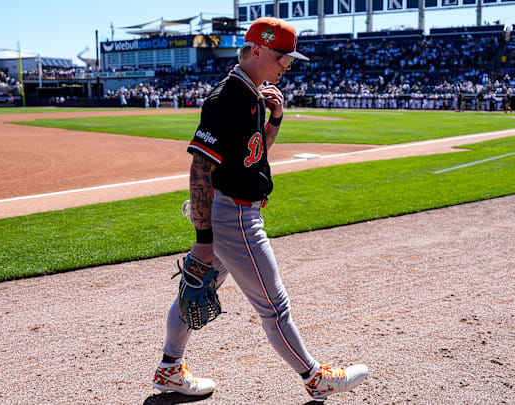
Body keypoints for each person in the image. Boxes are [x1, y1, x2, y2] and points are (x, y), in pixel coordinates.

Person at [152, 17, 369, 400]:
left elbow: (251, 158)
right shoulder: (228, 98)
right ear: (257, 51)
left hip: (232, 210)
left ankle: (170, 368)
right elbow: (201, 168)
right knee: (275, 306)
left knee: (195, 290)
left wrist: (276, 120)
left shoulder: (251, 93)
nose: (289, 64)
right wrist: (204, 240)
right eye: (284, 57)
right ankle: (314, 377)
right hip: (235, 215)